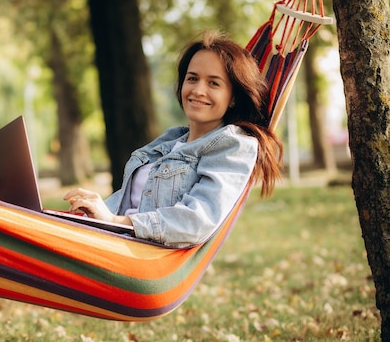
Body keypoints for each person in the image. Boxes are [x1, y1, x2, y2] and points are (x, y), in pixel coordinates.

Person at [63, 30, 283, 248]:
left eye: (213, 83)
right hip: (116, 242)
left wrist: (115, 221)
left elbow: (197, 221)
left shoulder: (234, 145)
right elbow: (132, 200)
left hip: (142, 257)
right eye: (192, 78)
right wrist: (91, 210)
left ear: (233, 97)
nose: (198, 90)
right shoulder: (171, 140)